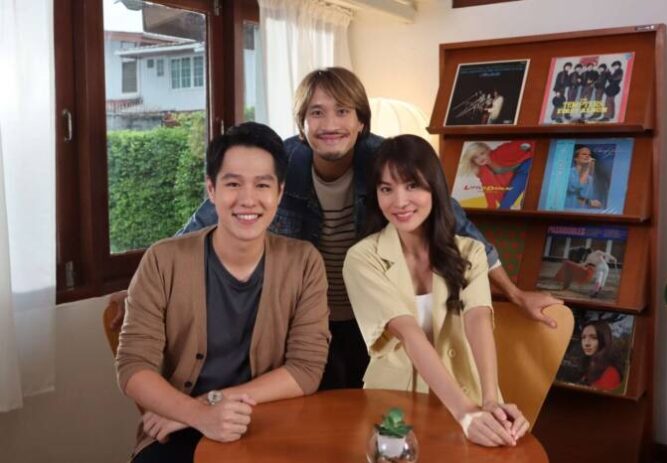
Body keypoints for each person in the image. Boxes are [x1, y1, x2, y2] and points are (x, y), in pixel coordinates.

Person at [112, 67, 560, 390]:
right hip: (304, 320)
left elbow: (455, 220)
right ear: (302, 123)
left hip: (372, 313)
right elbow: (204, 221)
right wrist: (140, 291)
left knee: (367, 414)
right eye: (317, 113)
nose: (330, 125)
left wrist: (515, 293)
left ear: (361, 120)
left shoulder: (384, 160)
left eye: (342, 111)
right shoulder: (279, 164)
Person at [116, 122, 330, 463]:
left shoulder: (304, 262)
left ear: (279, 192)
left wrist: (209, 404)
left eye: (262, 185)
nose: (248, 199)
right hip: (177, 429)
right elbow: (133, 366)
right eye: (233, 184)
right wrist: (196, 416)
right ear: (211, 190)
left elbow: (306, 370)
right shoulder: (163, 260)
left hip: (269, 422)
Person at [343, 135, 529, 447]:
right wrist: (464, 413)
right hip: (394, 405)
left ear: (435, 187)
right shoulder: (362, 258)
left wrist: (490, 400)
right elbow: (409, 333)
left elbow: (478, 320)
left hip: (470, 392)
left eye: (412, 185)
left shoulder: (471, 251)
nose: (399, 201)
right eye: (386, 189)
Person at [455, 141, 533, 209]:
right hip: (520, 176)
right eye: (475, 157)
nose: (480, 158)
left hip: (528, 164)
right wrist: (491, 206)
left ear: (487, 150)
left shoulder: (501, 152)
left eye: (482, 153)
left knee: (505, 205)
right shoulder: (483, 170)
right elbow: (489, 190)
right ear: (473, 161)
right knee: (504, 205)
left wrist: (530, 149)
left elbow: (524, 145)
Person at [579, 321, 621, 390]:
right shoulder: (587, 366)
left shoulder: (611, 373)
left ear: (604, 340)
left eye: (593, 337)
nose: (586, 343)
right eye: (583, 337)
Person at [565, 145, 602, 209]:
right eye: (584, 154)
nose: (587, 156)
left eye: (589, 155)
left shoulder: (590, 178)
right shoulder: (568, 173)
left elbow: (585, 197)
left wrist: (592, 202)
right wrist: (588, 168)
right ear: (576, 158)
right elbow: (574, 188)